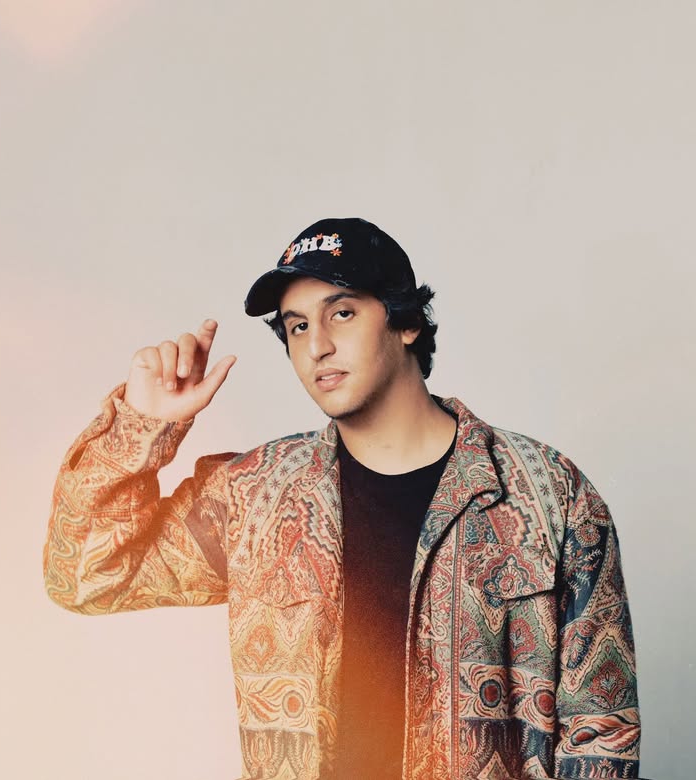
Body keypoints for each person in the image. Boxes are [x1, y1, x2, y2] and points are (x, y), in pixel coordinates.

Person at [43, 217, 641, 779]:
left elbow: (601, 738)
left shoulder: (547, 495)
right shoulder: (255, 497)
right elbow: (87, 577)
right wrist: (139, 428)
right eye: (298, 326)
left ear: (406, 322)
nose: (317, 346)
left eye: (343, 313)